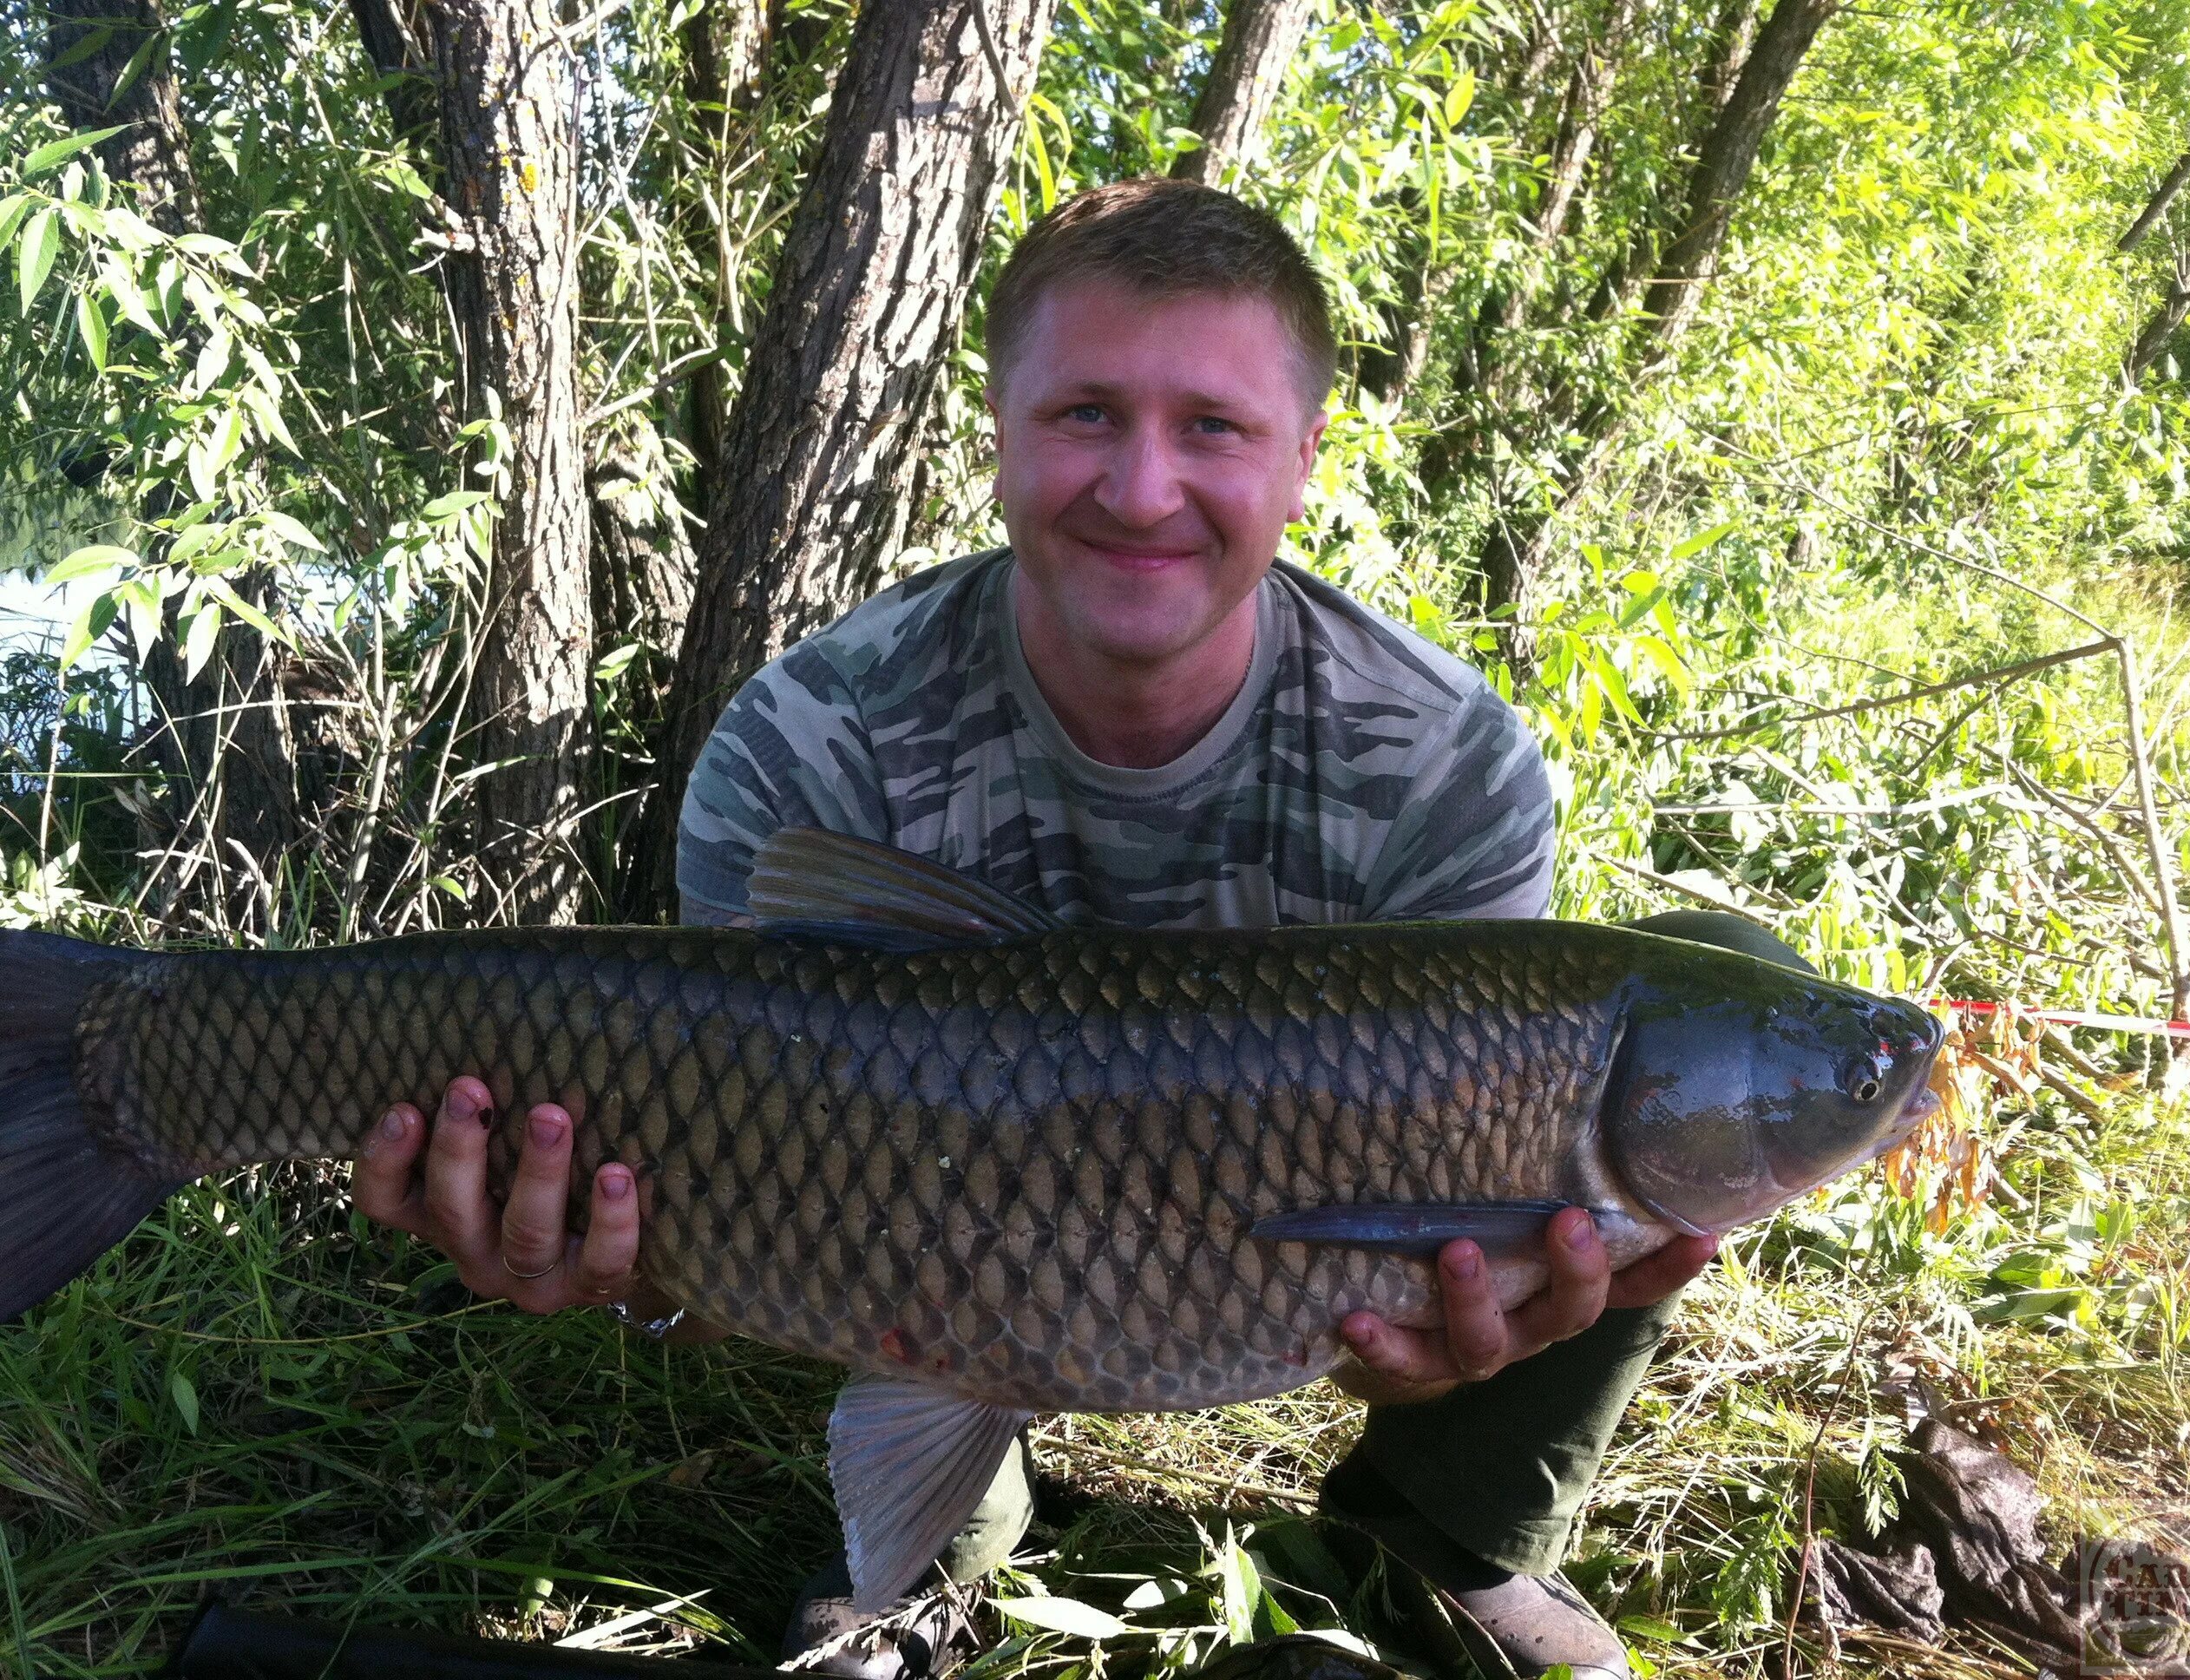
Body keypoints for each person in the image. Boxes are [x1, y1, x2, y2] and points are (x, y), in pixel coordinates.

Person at [353, 179, 1741, 1680]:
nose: (1143, 490)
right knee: (844, 1184)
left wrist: (1483, 1341)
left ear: (1302, 461)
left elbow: (1478, 1228)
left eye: (1212, 426)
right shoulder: (812, 742)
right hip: (910, 1252)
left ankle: (1444, 1539)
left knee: (1677, 1050)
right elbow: (737, 1197)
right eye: (1085, 413)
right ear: (999, 432)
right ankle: (930, 1549)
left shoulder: (1446, 764)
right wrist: (633, 1278)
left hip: (1289, 1263)